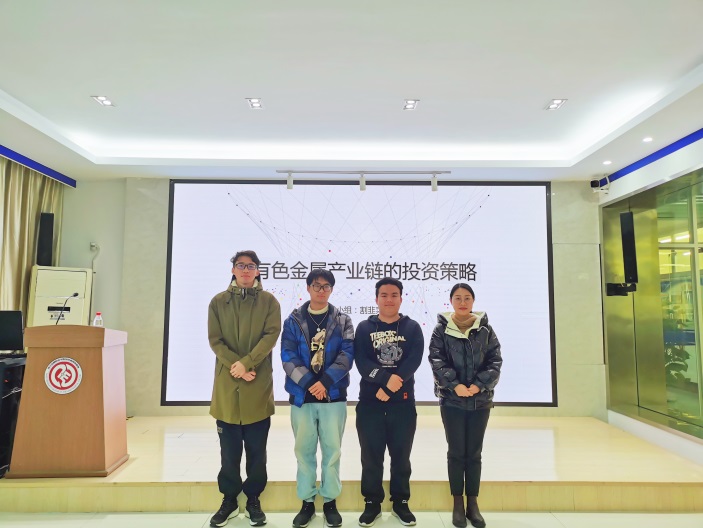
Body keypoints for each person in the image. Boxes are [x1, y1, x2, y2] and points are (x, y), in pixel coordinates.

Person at [207, 250, 282, 527]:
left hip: (257, 383)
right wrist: (235, 365)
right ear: (233, 270)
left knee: (257, 452)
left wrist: (247, 363)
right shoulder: (218, 302)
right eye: (241, 265)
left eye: (251, 266)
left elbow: (271, 335)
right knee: (228, 454)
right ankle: (229, 499)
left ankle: (253, 499)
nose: (246, 270)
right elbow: (215, 340)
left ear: (258, 271)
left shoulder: (269, 302)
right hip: (228, 384)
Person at [281, 269, 355, 527]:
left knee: (333, 451)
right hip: (302, 396)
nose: (321, 290)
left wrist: (324, 383)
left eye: (326, 286)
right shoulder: (293, 320)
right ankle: (307, 502)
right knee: (304, 451)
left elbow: (347, 356)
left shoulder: (343, 320)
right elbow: (287, 356)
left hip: (333, 395)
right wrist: (311, 384)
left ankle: (330, 501)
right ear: (308, 288)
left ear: (331, 289)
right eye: (316, 285)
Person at [428, 283, 502, 528]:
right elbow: (436, 360)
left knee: (474, 453)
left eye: (467, 298)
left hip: (480, 400)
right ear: (451, 301)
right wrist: (455, 385)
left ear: (473, 301)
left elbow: (495, 361)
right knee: (456, 452)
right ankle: (457, 504)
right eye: (458, 298)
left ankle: (473, 503)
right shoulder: (441, 330)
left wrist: (479, 385)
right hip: (452, 400)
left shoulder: (486, 330)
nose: (462, 302)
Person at [354, 277, 424, 527]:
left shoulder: (412, 328)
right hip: (370, 404)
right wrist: (385, 381)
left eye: (394, 295)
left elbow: (413, 361)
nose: (389, 299)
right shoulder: (364, 328)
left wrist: (391, 387)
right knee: (371, 457)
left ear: (401, 298)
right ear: (376, 299)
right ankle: (372, 503)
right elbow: (362, 362)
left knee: (401, 456)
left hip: (402, 404)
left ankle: (400, 503)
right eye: (384, 295)